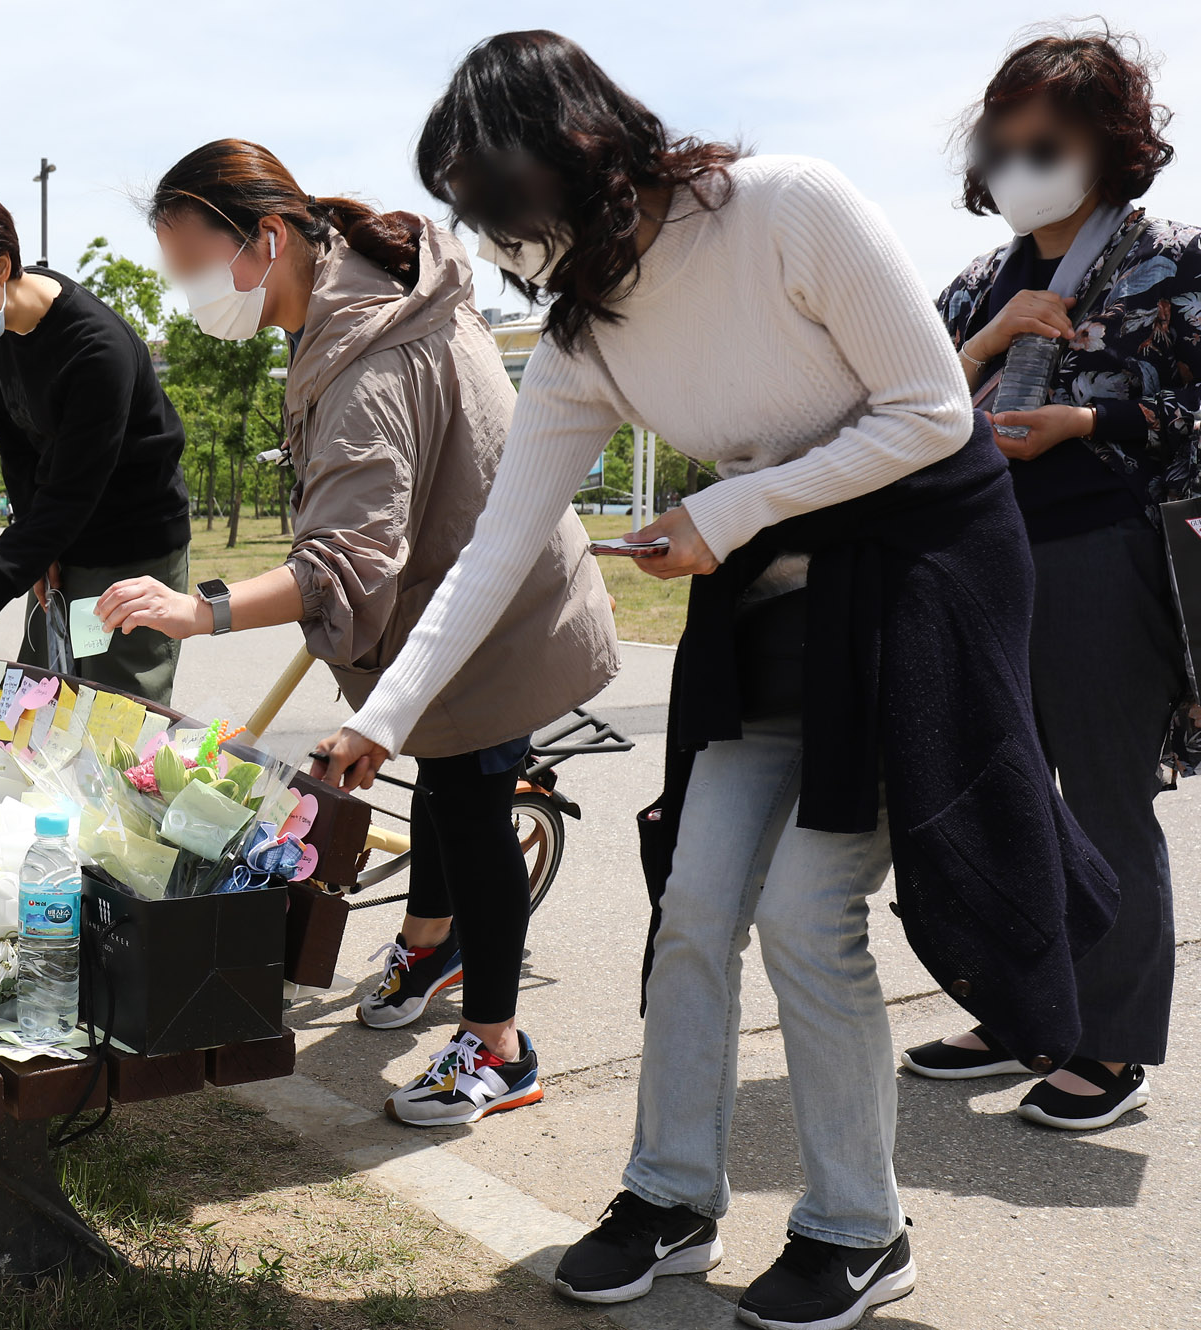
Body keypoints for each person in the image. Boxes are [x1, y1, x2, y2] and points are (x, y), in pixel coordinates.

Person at [310, 32, 1114, 1330]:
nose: (505, 242)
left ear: (582, 154)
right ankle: (669, 1195)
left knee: (804, 909)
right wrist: (381, 717)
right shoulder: (582, 338)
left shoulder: (789, 208)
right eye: (478, 215)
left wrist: (730, 509)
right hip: (770, 618)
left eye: (503, 205)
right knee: (691, 899)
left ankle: (858, 1228)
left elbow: (930, 414)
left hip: (915, 592)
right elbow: (499, 545)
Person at [100, 138, 618, 1126]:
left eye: (195, 265)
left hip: (498, 618)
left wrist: (199, 608)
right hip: (456, 599)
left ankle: (498, 1048)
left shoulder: (364, 355)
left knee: (471, 811)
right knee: (439, 780)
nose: (190, 294)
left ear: (266, 238)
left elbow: (347, 558)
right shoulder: (356, 294)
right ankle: (429, 943)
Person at [905, 28, 1201, 1131]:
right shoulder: (976, 283)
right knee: (998, 796)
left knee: (1103, 799)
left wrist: (1092, 421)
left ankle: (1109, 1044)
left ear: (1110, 145)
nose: (1017, 165)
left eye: (1046, 144)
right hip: (977, 558)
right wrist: (985, 344)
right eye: (1002, 145)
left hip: (1105, 555)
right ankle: (1017, 1009)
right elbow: (905, 410)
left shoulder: (1177, 259)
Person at [0, 181, 191, 705]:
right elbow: (18, 452)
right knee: (38, 704)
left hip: (129, 548)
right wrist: (37, 555)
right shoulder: (2, 333)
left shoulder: (96, 350)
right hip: (61, 536)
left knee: (113, 710)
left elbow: (72, 488)